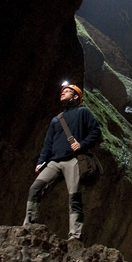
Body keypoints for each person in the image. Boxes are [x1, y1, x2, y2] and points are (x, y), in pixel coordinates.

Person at [23, 82, 101, 241]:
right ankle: (28, 226)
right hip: (54, 162)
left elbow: (96, 132)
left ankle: (75, 236)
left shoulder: (83, 112)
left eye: (67, 91)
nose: (62, 93)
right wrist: (41, 160)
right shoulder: (56, 120)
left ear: (76, 96)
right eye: (62, 91)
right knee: (35, 188)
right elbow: (48, 143)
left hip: (73, 160)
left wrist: (82, 144)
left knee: (74, 197)